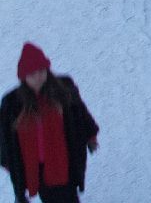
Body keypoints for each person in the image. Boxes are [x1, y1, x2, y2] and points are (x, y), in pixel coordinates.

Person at [1, 44, 99, 203]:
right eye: (32, 74)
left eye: (41, 71)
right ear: (23, 77)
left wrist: (91, 135)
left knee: (67, 197)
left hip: (63, 162)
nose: (38, 77)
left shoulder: (64, 91)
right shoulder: (13, 104)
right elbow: (5, 135)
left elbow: (80, 114)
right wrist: (7, 160)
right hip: (36, 168)